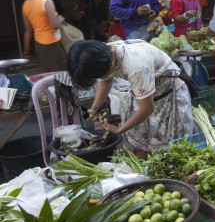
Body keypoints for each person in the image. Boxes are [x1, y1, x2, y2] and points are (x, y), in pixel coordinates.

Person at [67, 39, 198, 159]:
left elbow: (147, 108)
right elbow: (106, 81)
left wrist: (120, 129)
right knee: (141, 141)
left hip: (167, 93)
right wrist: (94, 108)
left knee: (169, 150)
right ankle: (142, 175)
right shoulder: (102, 53)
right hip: (144, 93)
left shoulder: (135, 66)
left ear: (111, 65)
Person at [21, 0, 67, 72]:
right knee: (61, 72)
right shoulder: (46, 2)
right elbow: (54, 25)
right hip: (52, 43)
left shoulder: (26, 4)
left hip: (39, 44)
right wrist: (60, 19)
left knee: (48, 72)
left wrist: (26, 50)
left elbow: (27, 29)